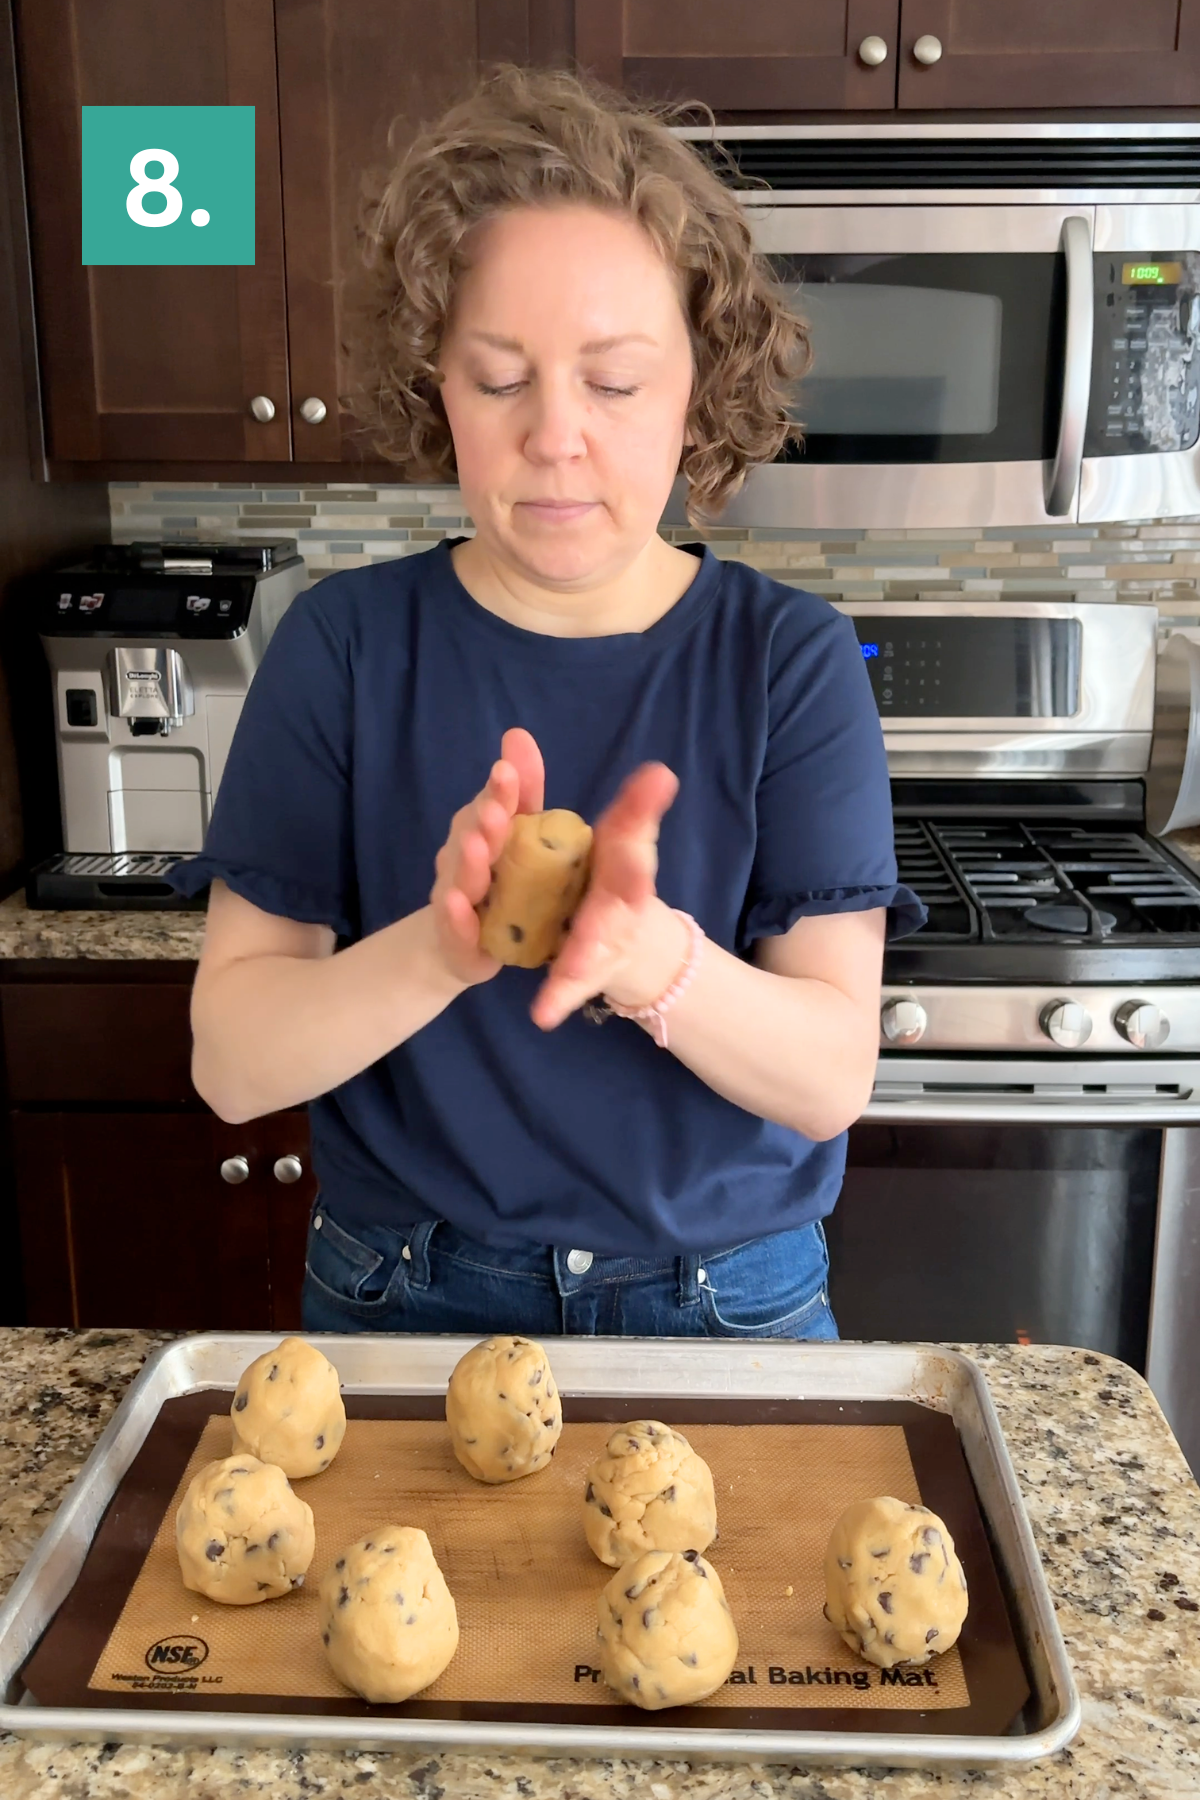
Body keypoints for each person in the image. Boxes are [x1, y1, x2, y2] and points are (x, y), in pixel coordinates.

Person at [168, 66, 924, 1340]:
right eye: (498, 377)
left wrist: (638, 954)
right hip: (405, 1292)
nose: (555, 435)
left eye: (616, 381)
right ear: (437, 392)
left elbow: (827, 1077)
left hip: (725, 1304)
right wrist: (448, 946)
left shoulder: (788, 662)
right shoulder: (344, 648)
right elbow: (233, 1065)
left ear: (701, 390)